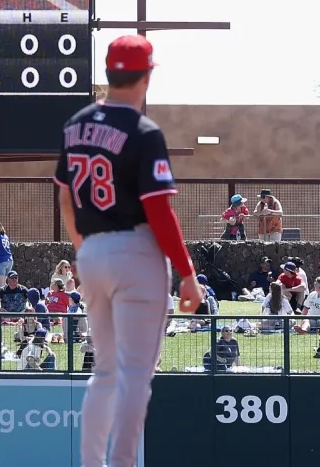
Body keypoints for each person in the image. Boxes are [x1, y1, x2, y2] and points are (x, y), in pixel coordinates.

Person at [55, 35, 202, 467]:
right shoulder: (143, 130)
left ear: (108, 72)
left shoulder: (75, 123)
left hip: (92, 252)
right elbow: (158, 209)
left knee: (105, 372)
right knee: (136, 373)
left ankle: (91, 464)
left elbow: (65, 197)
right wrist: (188, 272)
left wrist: (86, 249)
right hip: (135, 251)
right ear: (147, 76)